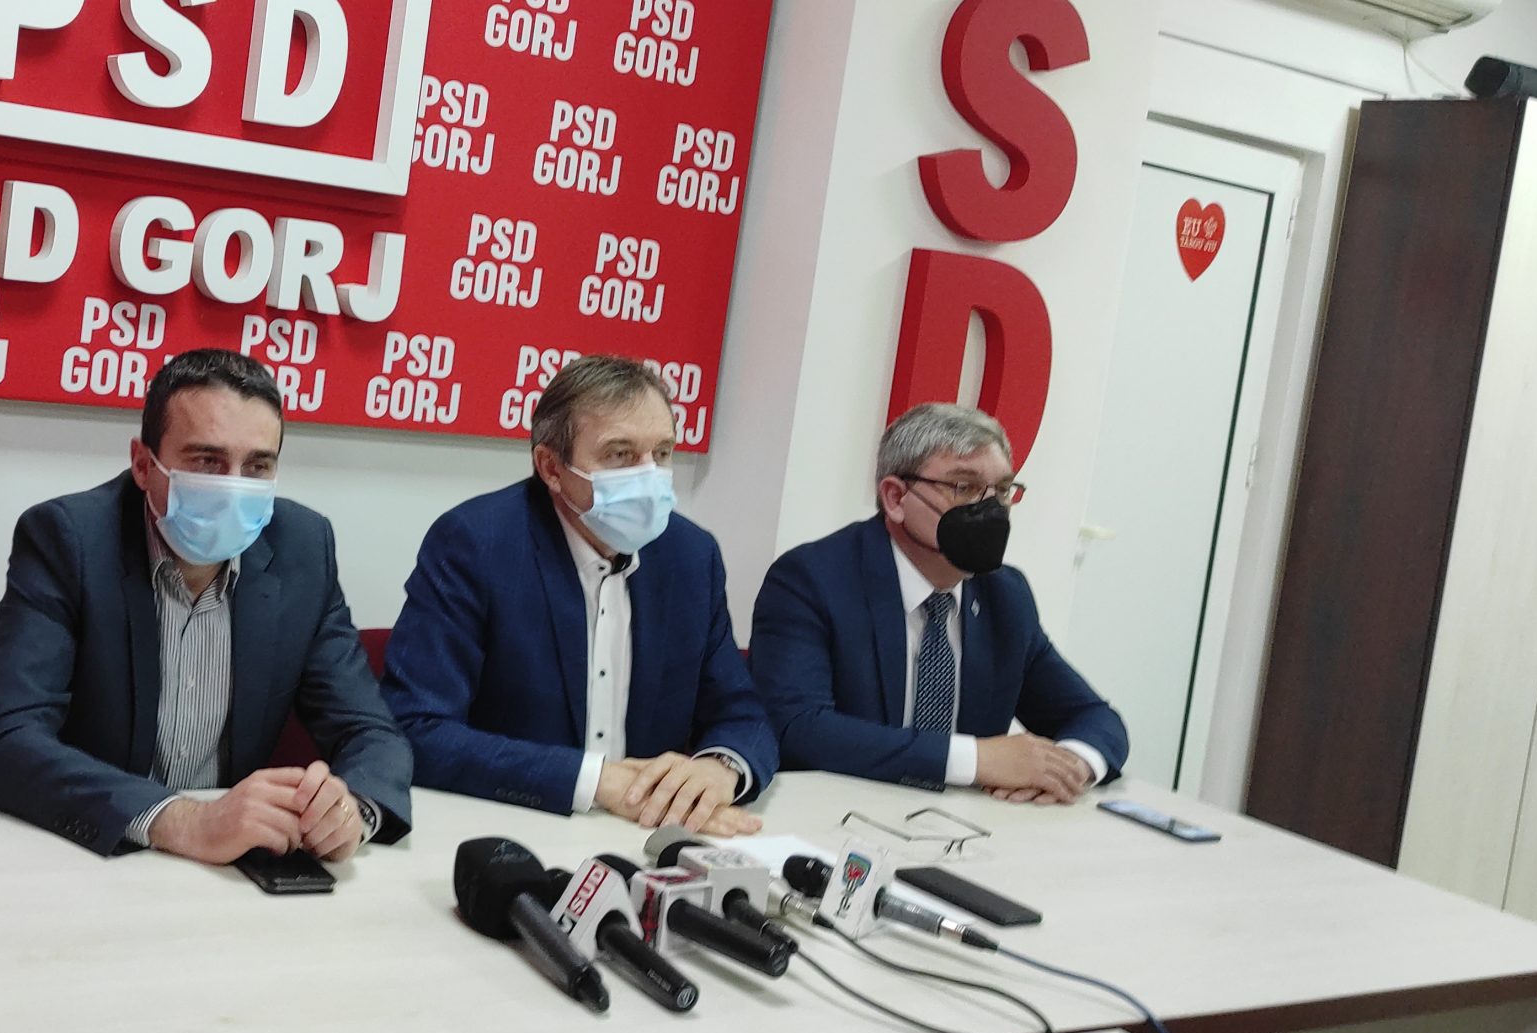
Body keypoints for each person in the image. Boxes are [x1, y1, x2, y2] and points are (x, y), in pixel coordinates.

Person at [0, 349, 411, 862]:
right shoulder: (69, 540)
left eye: (257, 466)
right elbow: (2, 740)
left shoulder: (303, 548)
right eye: (207, 461)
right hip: (88, 855)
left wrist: (352, 810)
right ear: (142, 464)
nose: (233, 486)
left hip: (228, 870)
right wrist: (179, 820)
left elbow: (370, 732)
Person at [381, 355, 777, 834]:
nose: (649, 475)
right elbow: (416, 726)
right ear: (551, 467)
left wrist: (721, 767)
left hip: (651, 833)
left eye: (662, 453)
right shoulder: (476, 544)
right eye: (620, 455)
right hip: (514, 828)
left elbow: (742, 713)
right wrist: (594, 781)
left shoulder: (691, 556)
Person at [749, 402, 1126, 802]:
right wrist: (976, 760)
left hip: (964, 825)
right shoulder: (813, 580)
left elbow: (1094, 717)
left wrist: (1069, 766)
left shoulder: (1005, 595)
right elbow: (798, 728)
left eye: (1001, 490)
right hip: (834, 814)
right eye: (964, 487)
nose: (990, 509)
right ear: (896, 497)